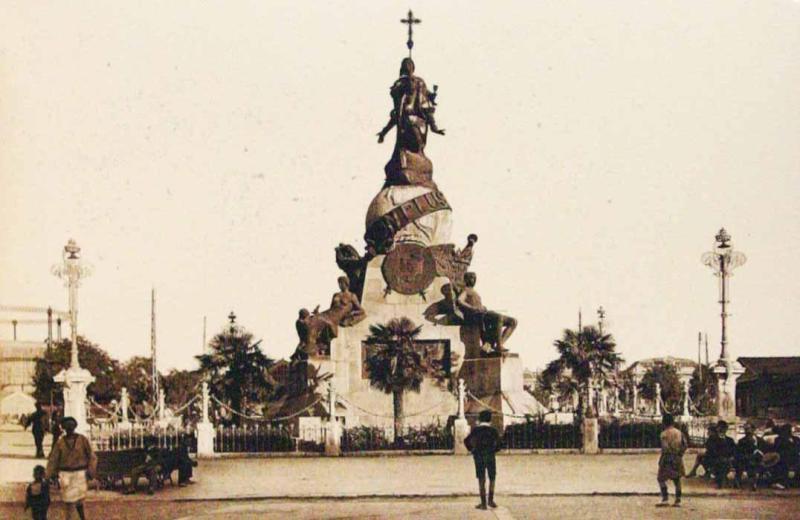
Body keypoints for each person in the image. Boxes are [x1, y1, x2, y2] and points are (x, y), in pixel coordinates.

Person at [46, 416, 97, 520]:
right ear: (64, 428)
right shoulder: (60, 442)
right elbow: (53, 459)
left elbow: (91, 456)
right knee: (68, 501)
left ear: (75, 426)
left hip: (80, 473)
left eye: (71, 425)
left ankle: (82, 518)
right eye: (67, 426)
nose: (69, 428)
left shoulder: (82, 440)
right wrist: (49, 475)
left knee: (79, 500)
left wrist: (91, 471)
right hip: (65, 474)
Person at [464, 410, 502, 510]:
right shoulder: (493, 430)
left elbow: (466, 441)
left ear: (480, 418)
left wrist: (472, 450)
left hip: (479, 456)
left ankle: (483, 503)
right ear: (490, 419)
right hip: (490, 456)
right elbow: (499, 444)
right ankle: (491, 500)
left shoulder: (476, 430)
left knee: (481, 479)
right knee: (492, 477)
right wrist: (494, 450)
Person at [656, 413, 687, 507]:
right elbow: (685, 445)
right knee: (677, 480)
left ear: (664, 422)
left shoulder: (664, 434)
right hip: (677, 457)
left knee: (661, 478)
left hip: (667, 458)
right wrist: (680, 453)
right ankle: (678, 500)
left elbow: (665, 447)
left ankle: (665, 499)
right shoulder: (679, 433)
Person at [734, 423, 762, 490]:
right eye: (745, 429)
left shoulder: (760, 440)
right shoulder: (741, 441)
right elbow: (738, 453)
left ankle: (755, 482)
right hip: (746, 460)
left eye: (748, 429)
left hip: (759, 460)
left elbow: (765, 450)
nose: (747, 431)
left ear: (753, 430)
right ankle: (752, 483)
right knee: (749, 464)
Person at [712, 420, 737, 488]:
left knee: (735, 462)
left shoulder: (730, 440)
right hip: (717, 458)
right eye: (720, 427)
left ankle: (735, 482)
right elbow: (712, 450)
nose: (722, 429)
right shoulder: (713, 439)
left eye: (724, 428)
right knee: (721, 462)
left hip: (729, 458)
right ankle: (721, 482)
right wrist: (721, 457)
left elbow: (734, 450)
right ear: (717, 428)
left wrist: (732, 456)